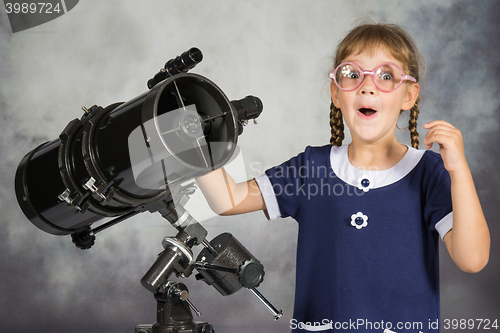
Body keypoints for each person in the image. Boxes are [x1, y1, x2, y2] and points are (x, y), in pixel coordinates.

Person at [195, 23, 490, 332]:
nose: (368, 86)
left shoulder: (428, 172)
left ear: (409, 95)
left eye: (386, 76)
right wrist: (188, 136)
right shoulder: (312, 167)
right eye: (353, 74)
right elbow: (226, 199)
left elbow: (473, 259)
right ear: (336, 92)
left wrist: (459, 170)